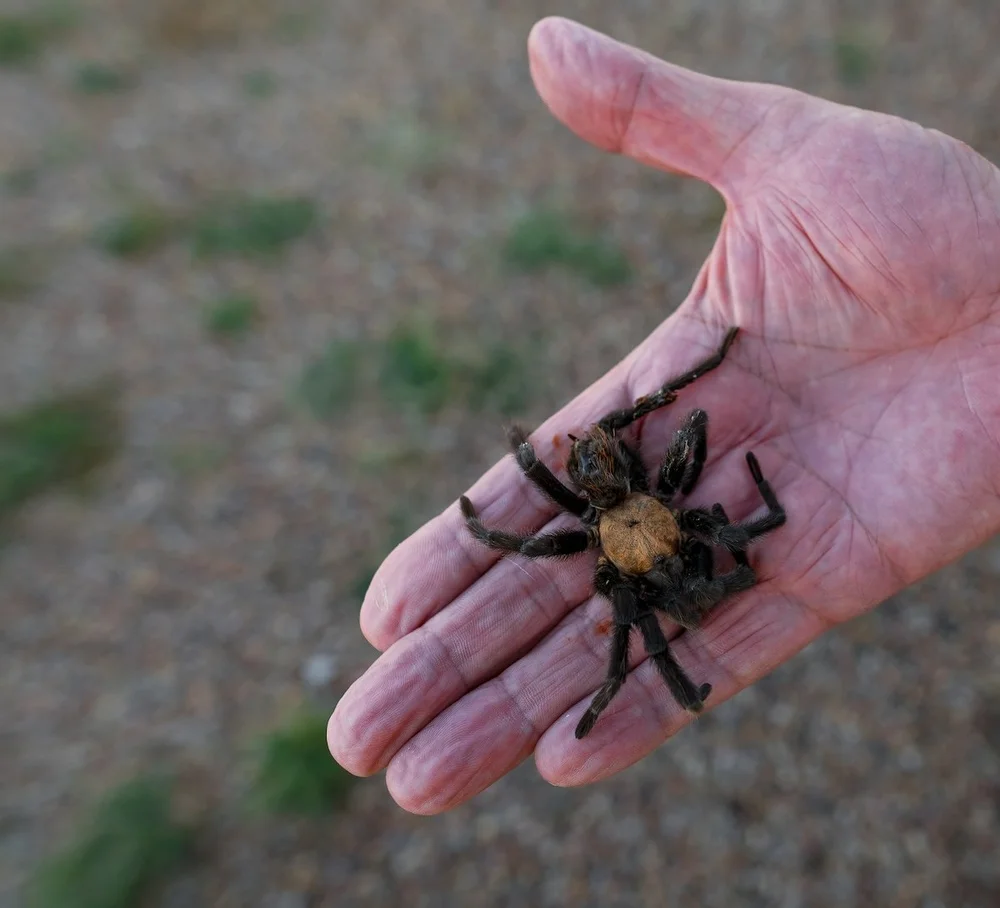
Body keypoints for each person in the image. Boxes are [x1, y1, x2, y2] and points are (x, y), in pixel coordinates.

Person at [328, 17, 1000, 814]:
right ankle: (663, 685)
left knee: (642, 624)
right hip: (631, 504)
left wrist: (508, 493)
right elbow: (571, 553)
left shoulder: (635, 527)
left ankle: (666, 685)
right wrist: (494, 514)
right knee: (631, 638)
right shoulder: (640, 513)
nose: (715, 534)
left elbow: (680, 531)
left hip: (631, 504)